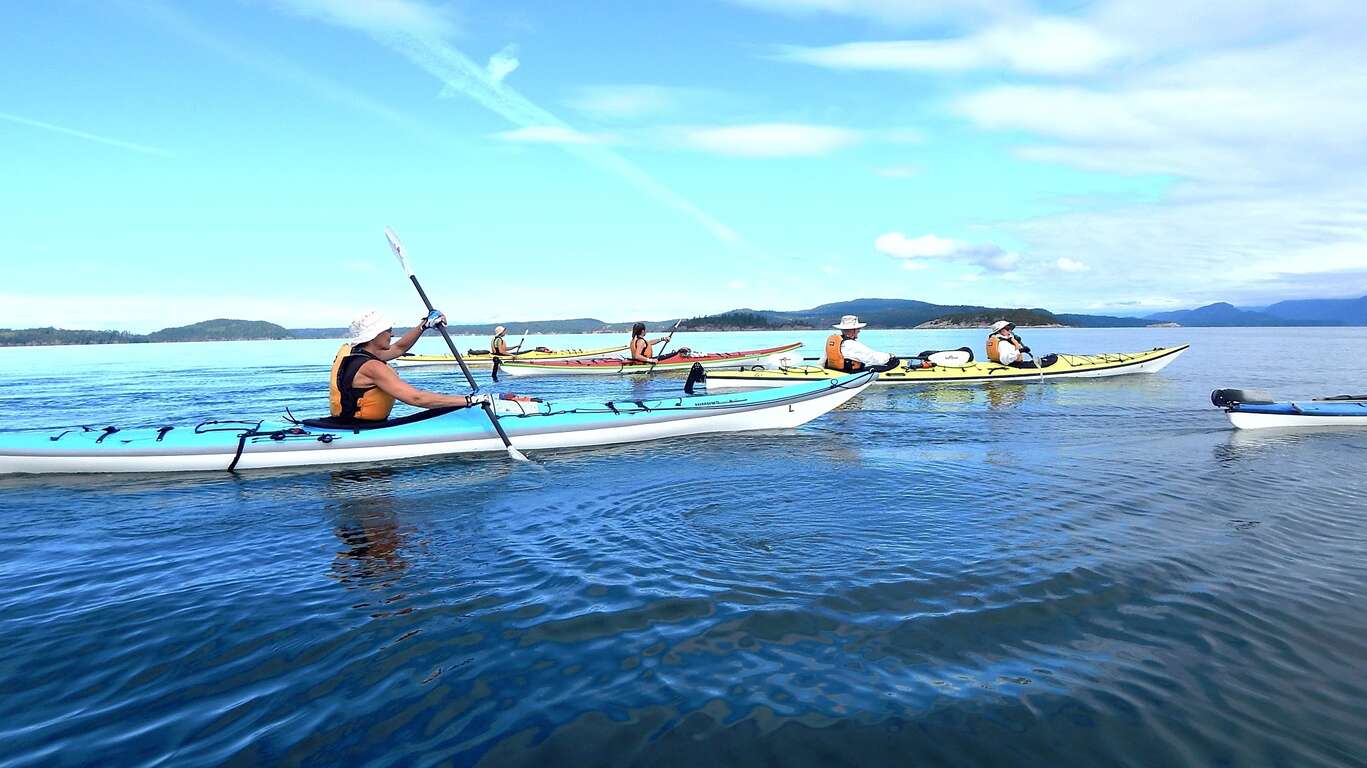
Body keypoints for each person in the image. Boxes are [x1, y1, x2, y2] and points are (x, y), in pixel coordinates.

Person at [329, 309, 490, 422]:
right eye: (388, 330)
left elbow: (400, 348)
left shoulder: (356, 352)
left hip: (347, 423)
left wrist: (424, 325)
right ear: (374, 334)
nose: (391, 334)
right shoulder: (372, 367)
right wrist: (469, 400)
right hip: (363, 429)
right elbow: (416, 398)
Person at [824, 315, 901, 373]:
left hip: (835, 370)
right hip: (850, 373)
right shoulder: (852, 345)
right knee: (894, 361)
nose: (859, 331)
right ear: (852, 330)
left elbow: (823, 360)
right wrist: (890, 356)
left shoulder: (833, 342)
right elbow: (874, 358)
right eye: (858, 329)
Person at [986, 320, 1056, 368]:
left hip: (1010, 364)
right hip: (1013, 365)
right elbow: (1004, 360)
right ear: (1000, 331)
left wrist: (1017, 344)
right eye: (1007, 329)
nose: (1010, 330)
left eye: (1010, 328)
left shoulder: (1003, 340)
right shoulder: (1003, 343)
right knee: (1050, 360)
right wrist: (1020, 351)